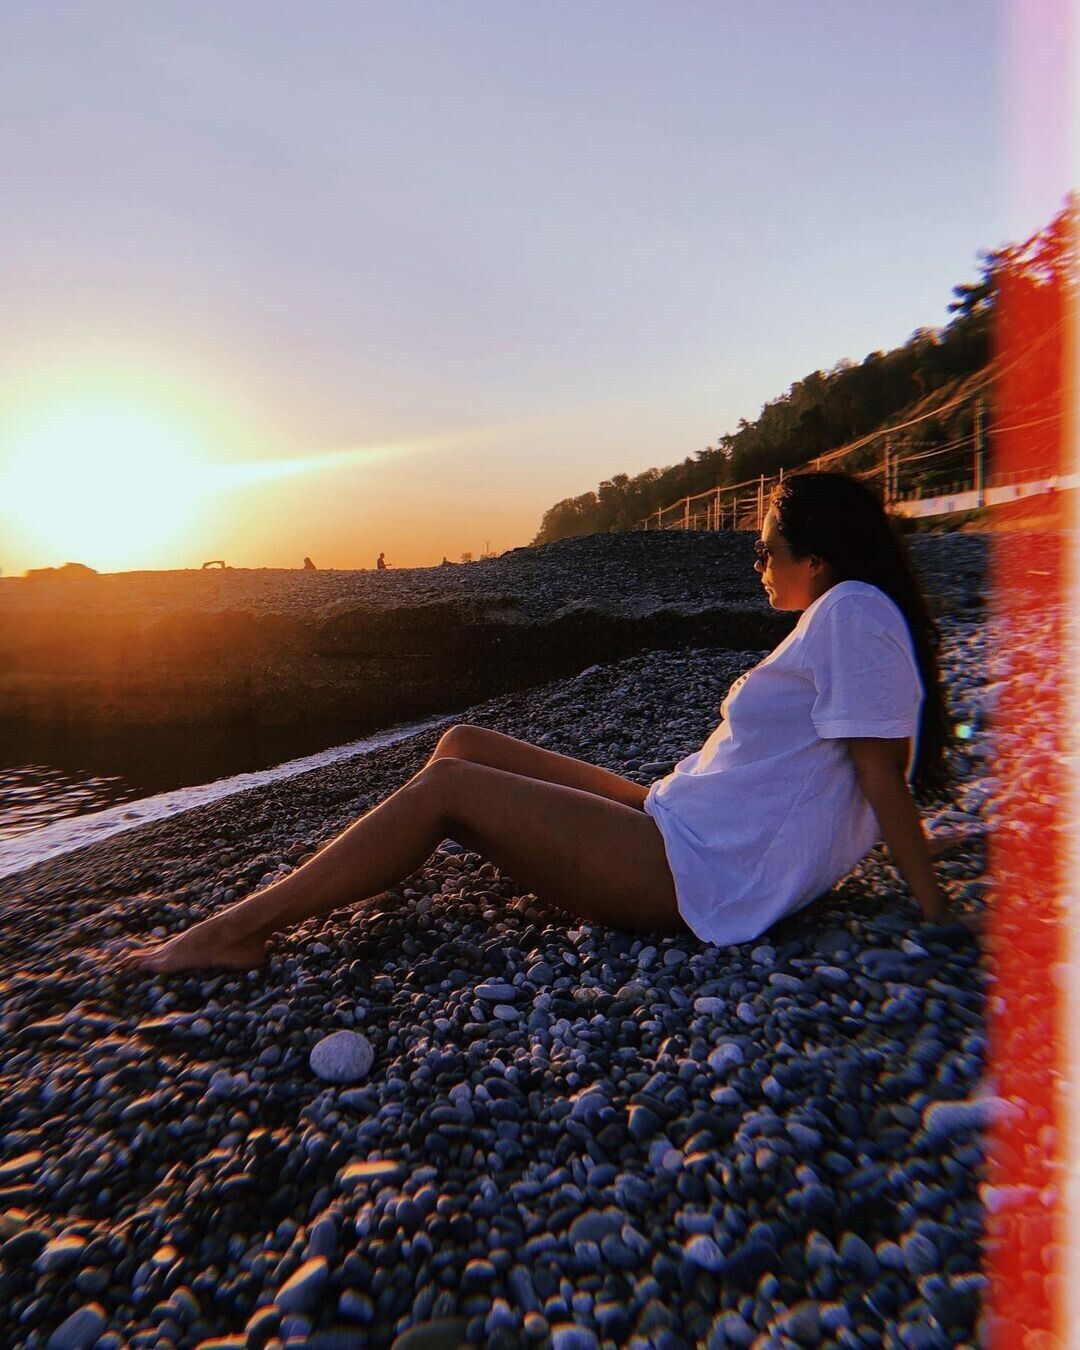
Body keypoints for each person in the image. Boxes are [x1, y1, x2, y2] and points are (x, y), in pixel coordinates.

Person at [120, 472, 977, 975]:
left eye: (766, 549)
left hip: (696, 876)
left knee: (449, 789)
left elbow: (877, 770)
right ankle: (368, 864)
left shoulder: (851, 612)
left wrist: (934, 908)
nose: (756, 562)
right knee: (462, 743)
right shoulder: (846, 614)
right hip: (676, 818)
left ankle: (238, 930)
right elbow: (850, 773)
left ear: (815, 559)